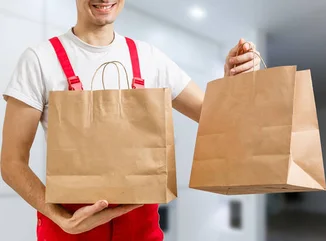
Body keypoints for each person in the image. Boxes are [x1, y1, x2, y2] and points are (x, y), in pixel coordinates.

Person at [0, 0, 262, 240]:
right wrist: (61, 218)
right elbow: (12, 162)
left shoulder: (151, 59)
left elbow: (216, 120)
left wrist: (232, 82)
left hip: (142, 231)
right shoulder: (40, 60)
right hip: (68, 230)